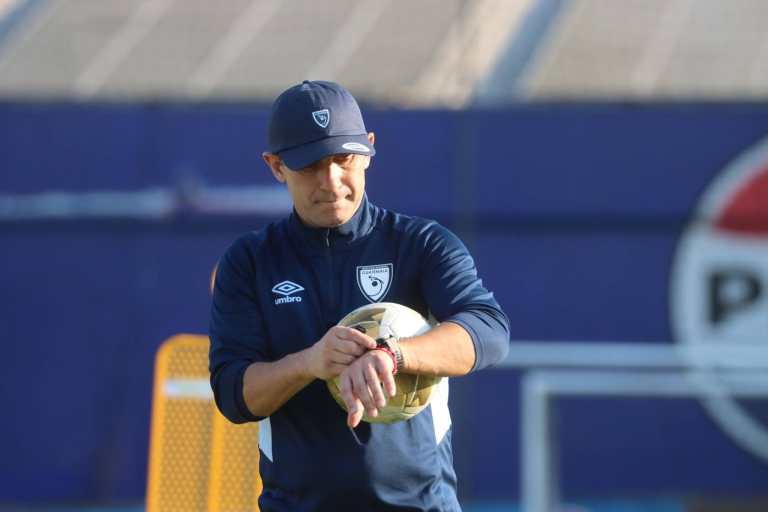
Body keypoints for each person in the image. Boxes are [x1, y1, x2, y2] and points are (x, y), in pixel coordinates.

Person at [209, 80, 510, 511]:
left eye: (343, 158)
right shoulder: (250, 262)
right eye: (310, 165)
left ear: (368, 149)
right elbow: (234, 395)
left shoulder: (421, 244)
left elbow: (489, 330)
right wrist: (310, 363)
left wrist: (393, 355)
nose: (331, 181)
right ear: (276, 166)